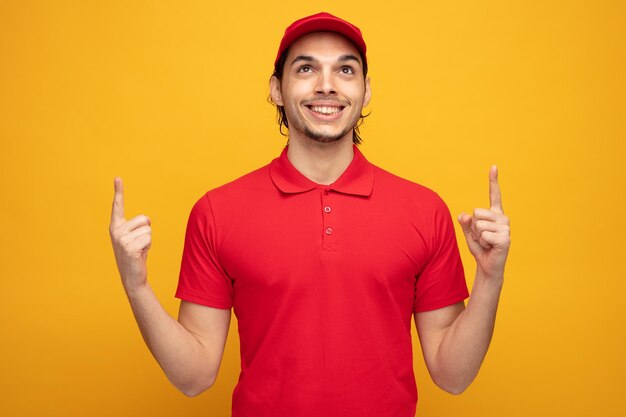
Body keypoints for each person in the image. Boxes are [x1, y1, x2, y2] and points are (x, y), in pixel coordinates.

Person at [109, 12, 510, 417]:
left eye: (345, 69)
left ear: (366, 90)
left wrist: (490, 278)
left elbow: (452, 374)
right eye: (306, 68)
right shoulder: (217, 211)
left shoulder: (425, 211)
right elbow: (193, 377)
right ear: (277, 90)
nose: (326, 85)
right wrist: (137, 287)